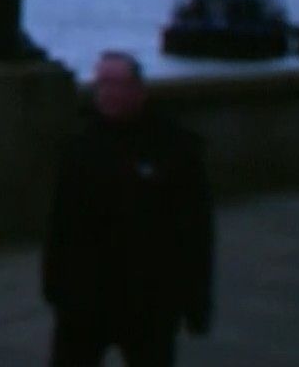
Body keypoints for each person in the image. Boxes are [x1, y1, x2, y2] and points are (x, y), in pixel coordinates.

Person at [42, 51, 214, 367]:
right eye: (102, 84)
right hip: (86, 297)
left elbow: (194, 231)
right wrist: (54, 285)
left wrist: (195, 304)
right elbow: (60, 223)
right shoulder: (79, 145)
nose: (108, 93)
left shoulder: (173, 148)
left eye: (117, 84)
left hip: (148, 298)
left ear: (139, 89)